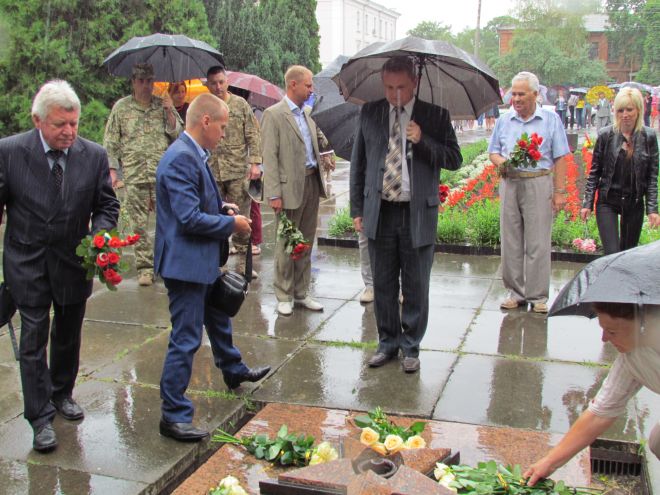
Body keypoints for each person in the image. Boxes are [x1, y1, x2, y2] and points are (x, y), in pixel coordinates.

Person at [0, 80, 120, 452]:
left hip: (73, 260)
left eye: (74, 124)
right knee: (33, 337)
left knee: (67, 333)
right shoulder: (9, 152)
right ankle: (39, 417)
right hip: (27, 260)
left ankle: (62, 392)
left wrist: (99, 237)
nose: (69, 132)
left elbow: (107, 205)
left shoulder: (94, 155)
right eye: (59, 125)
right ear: (38, 121)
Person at [154, 93, 270, 442]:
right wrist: (231, 226)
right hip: (184, 265)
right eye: (221, 126)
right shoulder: (180, 159)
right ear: (205, 122)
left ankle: (233, 370)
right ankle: (172, 415)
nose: (224, 133)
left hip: (198, 259)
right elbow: (188, 218)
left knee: (218, 316)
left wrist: (221, 206)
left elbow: (194, 201)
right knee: (186, 338)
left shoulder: (195, 154)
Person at [350, 56, 462, 373]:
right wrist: (357, 208)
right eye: (388, 87)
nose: (395, 94)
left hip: (417, 213)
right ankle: (387, 342)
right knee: (383, 283)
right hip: (381, 211)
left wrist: (422, 139)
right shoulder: (370, 112)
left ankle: (411, 345)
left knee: (416, 285)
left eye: (401, 87)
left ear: (414, 82)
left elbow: (455, 158)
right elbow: (359, 163)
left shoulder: (436, 116)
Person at [525, 302, 660, 486]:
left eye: (612, 332)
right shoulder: (632, 358)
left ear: (644, 326)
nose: (604, 339)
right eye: (603, 329)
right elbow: (601, 412)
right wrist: (549, 462)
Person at [488, 71, 570, 314]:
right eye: (513, 93)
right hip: (511, 183)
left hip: (538, 183)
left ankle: (538, 295)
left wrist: (560, 192)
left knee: (538, 241)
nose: (516, 98)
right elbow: (493, 152)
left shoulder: (550, 119)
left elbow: (561, 156)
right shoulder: (504, 120)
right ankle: (516, 292)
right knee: (511, 240)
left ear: (535, 94)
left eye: (521, 93)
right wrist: (501, 162)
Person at [262, 65, 333, 316]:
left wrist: (325, 156)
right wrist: (273, 193)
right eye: (308, 85)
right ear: (293, 84)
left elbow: (314, 145)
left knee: (305, 240)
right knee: (286, 243)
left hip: (312, 183)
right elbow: (269, 157)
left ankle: (302, 292)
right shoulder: (274, 115)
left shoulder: (308, 114)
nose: (311, 89)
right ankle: (284, 293)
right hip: (287, 188)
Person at [104, 63, 182, 286]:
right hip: (134, 173)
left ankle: (167, 263)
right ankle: (145, 268)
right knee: (139, 225)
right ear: (133, 82)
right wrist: (112, 170)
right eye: (141, 81)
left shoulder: (162, 105)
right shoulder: (122, 108)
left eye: (149, 81)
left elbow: (178, 134)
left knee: (168, 221)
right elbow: (111, 141)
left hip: (162, 174)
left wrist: (169, 110)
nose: (146, 85)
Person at [580, 88, 659, 255]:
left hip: (634, 201)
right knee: (612, 253)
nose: (625, 115)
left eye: (629, 109)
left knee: (627, 255)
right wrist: (587, 204)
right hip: (608, 200)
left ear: (638, 109)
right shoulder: (605, 135)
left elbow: (652, 177)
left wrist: (652, 209)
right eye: (620, 110)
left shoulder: (649, 137)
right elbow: (595, 172)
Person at [205, 66, 262, 276]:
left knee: (242, 219)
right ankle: (217, 263)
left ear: (227, 82)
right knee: (214, 218)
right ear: (208, 85)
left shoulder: (240, 105)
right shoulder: (205, 106)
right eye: (213, 83)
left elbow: (253, 134)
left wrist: (255, 163)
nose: (218, 87)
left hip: (238, 170)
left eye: (221, 82)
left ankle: (243, 265)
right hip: (212, 172)